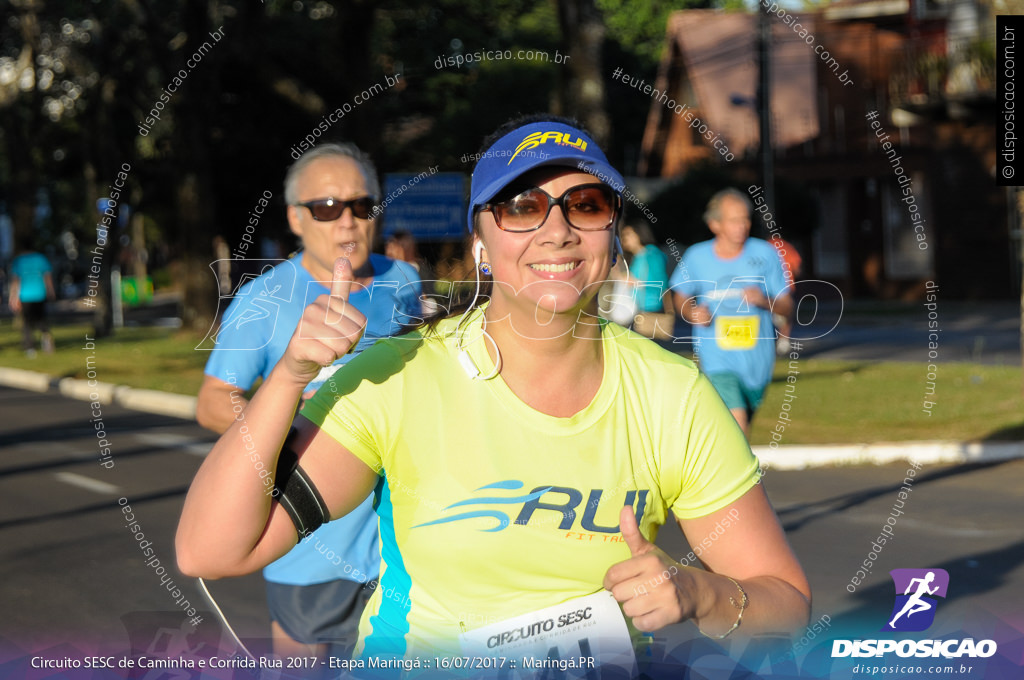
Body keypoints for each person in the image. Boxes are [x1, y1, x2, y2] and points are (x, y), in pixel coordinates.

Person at [178, 116, 810, 668]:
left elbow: (785, 602)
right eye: (521, 206)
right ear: (480, 243)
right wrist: (288, 377)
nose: (557, 230)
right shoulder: (398, 378)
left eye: (585, 204)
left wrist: (701, 593)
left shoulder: (673, 395)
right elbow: (211, 549)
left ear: (612, 234)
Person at [195, 142, 422, 660]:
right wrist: (285, 421)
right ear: (297, 218)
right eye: (327, 208)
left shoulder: (403, 282)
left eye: (362, 206)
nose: (348, 222)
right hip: (311, 549)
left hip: (402, 548)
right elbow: (214, 399)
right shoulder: (265, 300)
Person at [669, 189, 794, 439]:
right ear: (715, 224)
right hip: (716, 358)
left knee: (739, 426)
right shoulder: (696, 256)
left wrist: (764, 300)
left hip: (758, 361)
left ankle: (718, 473)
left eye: (745, 219)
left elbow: (787, 306)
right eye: (734, 220)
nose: (742, 226)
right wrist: (691, 312)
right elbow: (679, 296)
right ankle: (743, 477)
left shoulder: (766, 254)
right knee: (737, 423)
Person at [620, 222, 672, 339]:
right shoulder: (638, 256)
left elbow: (662, 283)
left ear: (640, 234)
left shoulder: (652, 254)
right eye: (623, 235)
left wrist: (636, 283)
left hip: (650, 308)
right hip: (636, 308)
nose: (625, 238)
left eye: (629, 234)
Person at [9, 237, 56, 357]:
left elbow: (15, 280)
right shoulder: (41, 258)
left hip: (25, 295)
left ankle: (30, 348)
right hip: (40, 292)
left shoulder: (19, 260)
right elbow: (47, 277)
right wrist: (51, 291)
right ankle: (46, 338)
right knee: (41, 319)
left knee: (27, 323)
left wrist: (13, 297)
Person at [769, 236, 802, 355]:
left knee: (768, 315)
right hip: (786, 287)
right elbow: (797, 268)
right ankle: (783, 340)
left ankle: (770, 340)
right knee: (786, 314)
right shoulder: (787, 248)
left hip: (766, 288)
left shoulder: (764, 247)